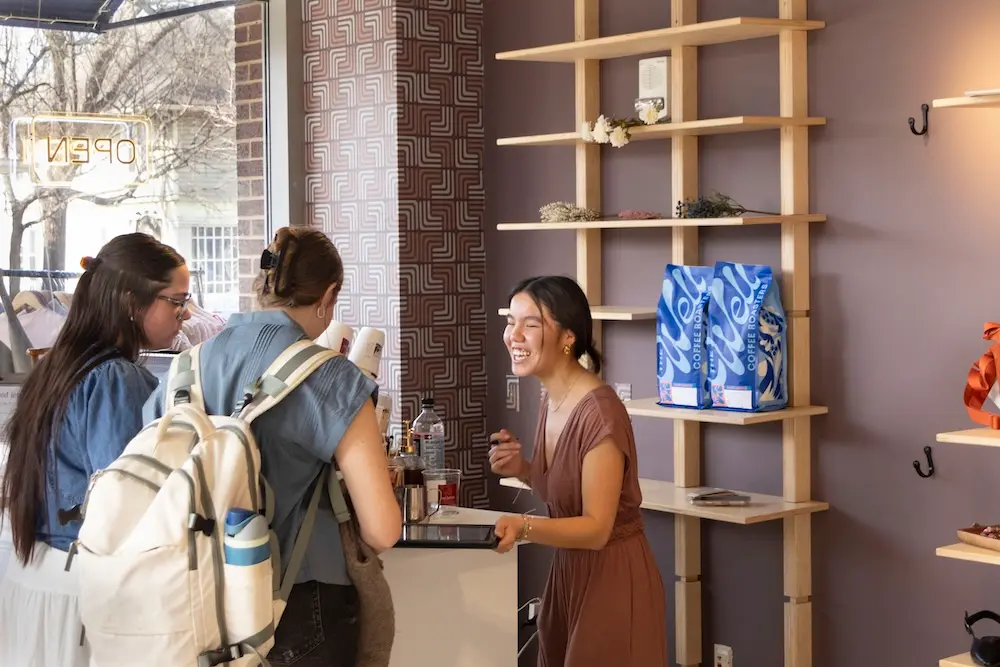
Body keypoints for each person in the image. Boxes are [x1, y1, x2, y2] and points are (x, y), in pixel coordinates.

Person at [143, 226, 401, 667]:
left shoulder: (183, 371)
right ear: (329, 294)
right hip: (300, 605)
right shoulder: (332, 377)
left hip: (196, 602)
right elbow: (383, 529)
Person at [0, 232, 191, 667]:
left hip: (31, 584)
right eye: (176, 301)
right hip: (83, 599)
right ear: (130, 301)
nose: (184, 315)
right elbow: (125, 509)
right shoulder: (115, 380)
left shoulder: (54, 368)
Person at [489, 275, 668, 667]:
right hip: (570, 572)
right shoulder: (552, 400)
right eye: (510, 321)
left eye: (530, 324)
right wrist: (524, 469)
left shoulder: (600, 413)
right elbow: (566, 495)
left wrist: (522, 526)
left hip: (612, 580)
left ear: (568, 337)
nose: (513, 335)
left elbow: (596, 527)